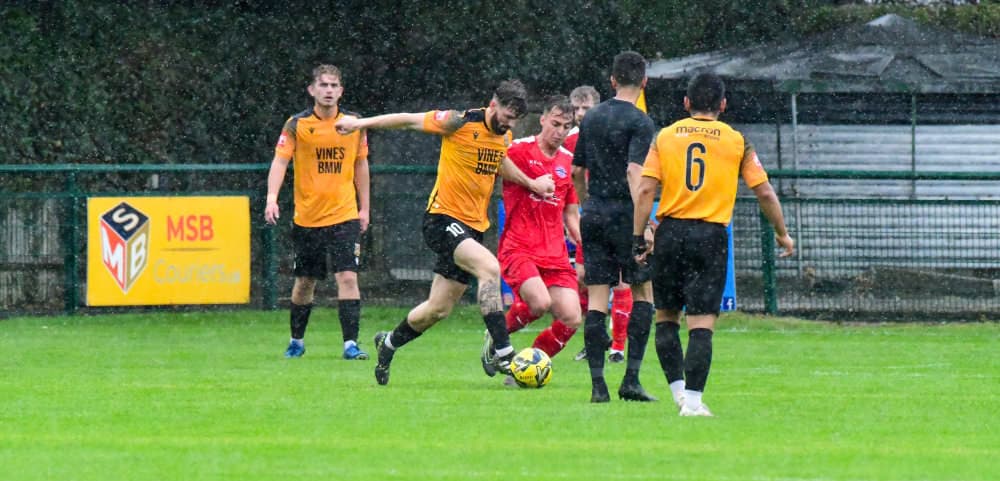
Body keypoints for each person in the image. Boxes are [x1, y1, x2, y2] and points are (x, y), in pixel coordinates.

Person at [335, 80, 555, 386]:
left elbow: (499, 161)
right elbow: (408, 120)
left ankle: (388, 343)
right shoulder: (458, 121)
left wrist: (531, 184)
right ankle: (503, 352)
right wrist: (359, 124)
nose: (510, 123)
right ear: (494, 104)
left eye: (515, 119)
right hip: (442, 218)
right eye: (507, 114)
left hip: (473, 228)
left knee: (437, 309)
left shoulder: (503, 136)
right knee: (489, 268)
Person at [632, 72, 795, 416]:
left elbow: (646, 189)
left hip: (670, 232)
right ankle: (693, 402)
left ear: (686, 103)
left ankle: (678, 394)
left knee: (666, 317)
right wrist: (782, 232)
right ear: (723, 104)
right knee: (702, 323)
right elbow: (764, 192)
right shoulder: (736, 141)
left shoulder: (665, 136)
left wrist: (638, 236)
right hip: (710, 236)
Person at [264, 64, 371, 360]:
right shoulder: (297, 124)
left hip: (344, 215)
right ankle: (296, 341)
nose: (329, 91)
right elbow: (280, 161)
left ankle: (351, 344)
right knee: (305, 282)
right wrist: (272, 198)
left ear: (341, 91)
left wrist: (364, 208)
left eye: (334, 86)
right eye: (323, 85)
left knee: (348, 277)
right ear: (312, 90)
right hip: (308, 218)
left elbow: (361, 165)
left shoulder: (354, 124)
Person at [572, 51, 658, 404]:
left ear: (612, 81)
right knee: (643, 294)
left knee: (597, 299)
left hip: (594, 211)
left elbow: (577, 171)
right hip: (626, 213)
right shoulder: (641, 121)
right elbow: (634, 173)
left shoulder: (591, 117)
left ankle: (598, 387)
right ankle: (631, 380)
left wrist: (586, 205)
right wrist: (644, 224)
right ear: (644, 82)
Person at [497, 95, 582, 385]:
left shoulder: (568, 162)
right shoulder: (519, 150)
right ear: (542, 119)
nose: (560, 132)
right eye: (555, 124)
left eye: (566, 127)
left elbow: (571, 213)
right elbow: (497, 163)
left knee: (572, 317)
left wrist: (585, 245)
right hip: (519, 246)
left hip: (555, 254)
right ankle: (496, 337)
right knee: (539, 302)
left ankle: (525, 367)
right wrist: (532, 183)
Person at [565, 85, 632, 365]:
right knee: (584, 278)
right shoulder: (568, 140)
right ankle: (597, 340)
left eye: (586, 108)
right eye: (576, 108)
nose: (580, 113)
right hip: (588, 215)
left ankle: (618, 345)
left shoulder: (610, 133)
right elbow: (570, 175)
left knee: (620, 280)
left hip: (613, 212)